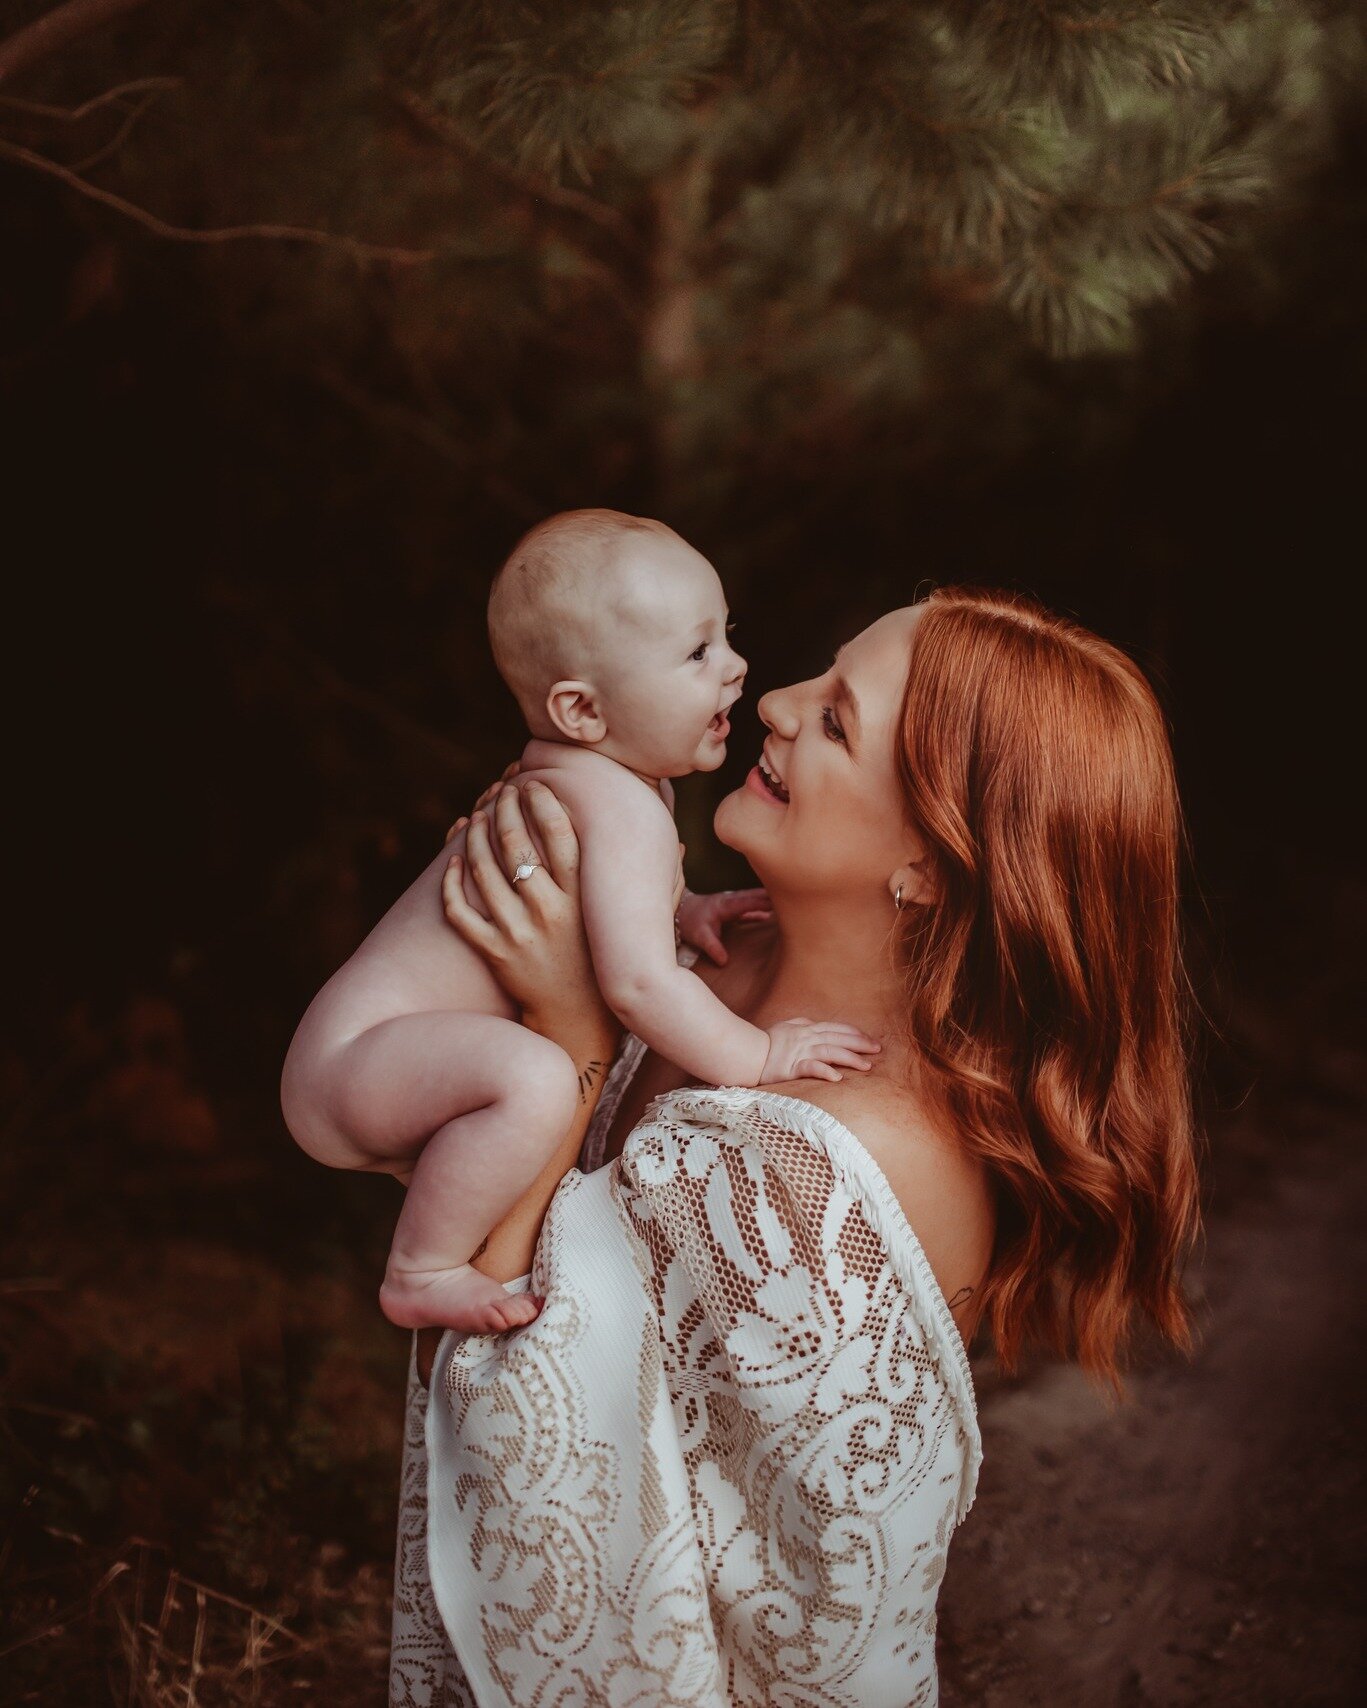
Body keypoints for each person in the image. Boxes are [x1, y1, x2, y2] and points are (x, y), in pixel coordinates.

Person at [389, 587, 1201, 1707]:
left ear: (926, 858)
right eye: (816, 679)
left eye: (833, 721)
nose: (770, 700)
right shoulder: (710, 964)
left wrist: (566, 1029)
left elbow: (526, 1406)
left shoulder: (821, 1168)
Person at [281, 509, 877, 1337]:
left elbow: (608, 905)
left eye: (726, 635)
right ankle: (419, 1269)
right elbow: (636, 982)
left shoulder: (609, 782)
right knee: (536, 1081)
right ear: (583, 712)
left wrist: (683, 908)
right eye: (697, 652)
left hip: (360, 1053)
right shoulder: (620, 805)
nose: (738, 670)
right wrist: (761, 1052)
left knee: (525, 1083)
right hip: (358, 1063)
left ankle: (435, 1256)